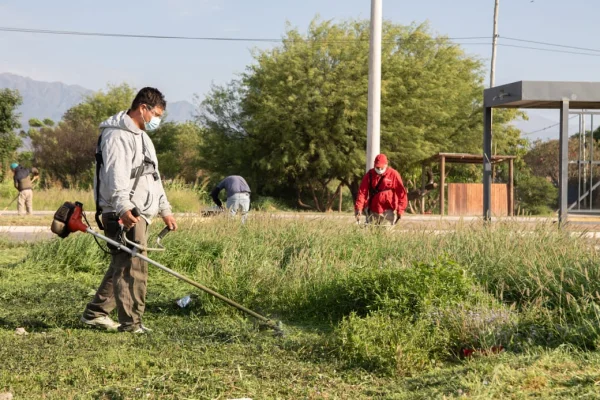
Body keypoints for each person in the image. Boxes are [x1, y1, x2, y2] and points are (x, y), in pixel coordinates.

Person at [81, 87, 177, 334]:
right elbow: (116, 176)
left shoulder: (143, 137)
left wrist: (165, 209)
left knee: (122, 264)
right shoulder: (116, 136)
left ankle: (95, 313)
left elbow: (153, 177)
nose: (157, 120)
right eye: (155, 114)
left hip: (141, 211)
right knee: (133, 268)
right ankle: (131, 324)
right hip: (123, 212)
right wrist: (123, 207)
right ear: (143, 108)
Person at [354, 153, 407, 226]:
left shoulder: (393, 174)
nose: (379, 169)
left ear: (386, 164)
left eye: (381, 167)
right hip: (372, 211)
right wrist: (359, 208)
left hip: (388, 212)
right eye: (377, 167)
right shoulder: (369, 175)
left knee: (386, 235)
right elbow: (362, 193)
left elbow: (402, 194)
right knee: (372, 235)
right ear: (374, 165)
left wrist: (400, 210)